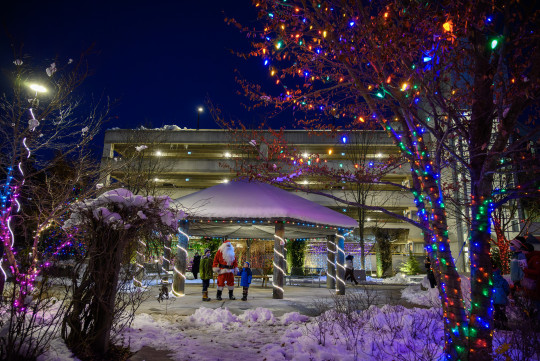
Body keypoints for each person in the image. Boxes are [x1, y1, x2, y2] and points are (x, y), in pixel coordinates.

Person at [523, 241, 540, 318]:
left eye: (522, 250)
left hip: (536, 287)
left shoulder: (535, 258)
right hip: (533, 287)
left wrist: (526, 270)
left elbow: (538, 271)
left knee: (537, 305)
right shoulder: (530, 258)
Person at [492, 263, 510, 329]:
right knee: (502, 312)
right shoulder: (502, 280)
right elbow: (506, 288)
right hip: (502, 299)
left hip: (494, 299)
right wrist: (506, 294)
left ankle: (496, 324)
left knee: (496, 311)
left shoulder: (490, 280)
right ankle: (504, 325)